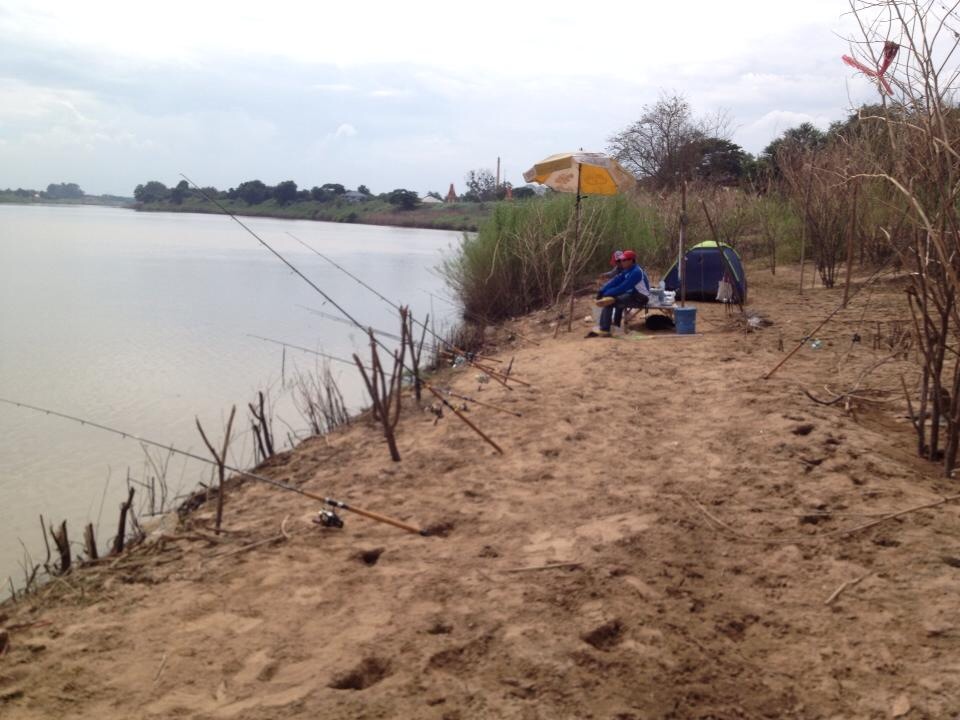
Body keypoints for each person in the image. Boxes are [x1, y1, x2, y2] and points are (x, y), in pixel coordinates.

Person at [588, 250, 650, 337]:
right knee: (612, 298)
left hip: (641, 298)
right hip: (633, 294)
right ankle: (612, 325)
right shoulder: (628, 270)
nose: (621, 262)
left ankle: (605, 329)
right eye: (621, 260)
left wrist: (607, 293)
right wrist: (602, 290)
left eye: (624, 260)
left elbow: (623, 287)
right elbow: (615, 281)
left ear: (631, 260)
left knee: (610, 302)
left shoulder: (636, 272)